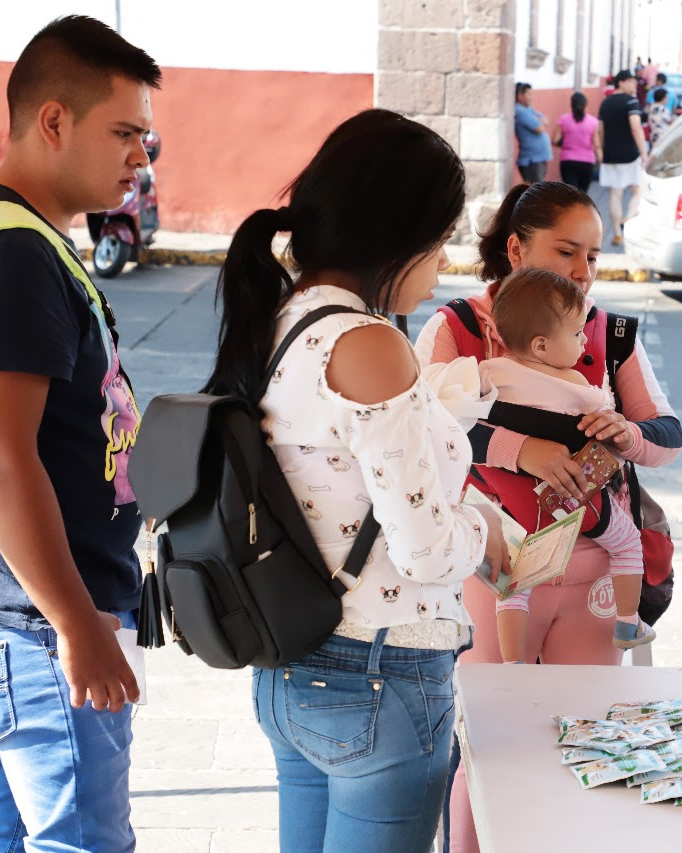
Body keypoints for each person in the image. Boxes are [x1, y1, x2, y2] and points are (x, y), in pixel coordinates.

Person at [204, 109, 509, 853]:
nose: (443, 263)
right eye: (440, 241)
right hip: (378, 675)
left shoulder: (282, 318)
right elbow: (428, 554)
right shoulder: (367, 342)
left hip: (293, 665)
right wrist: (484, 526)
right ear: (397, 238)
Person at [414, 180, 682, 853]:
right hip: (492, 568)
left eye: (593, 256)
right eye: (567, 252)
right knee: (488, 741)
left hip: (592, 571)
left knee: (585, 742)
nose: (584, 272)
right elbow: (415, 430)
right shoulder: (456, 328)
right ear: (516, 246)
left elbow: (667, 436)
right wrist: (517, 448)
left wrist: (628, 434)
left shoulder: (609, 333)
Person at [0, 17, 160, 851]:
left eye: (145, 138)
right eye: (123, 133)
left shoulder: (14, 230)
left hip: (6, 617)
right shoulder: (11, 248)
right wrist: (78, 625)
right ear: (53, 121)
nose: (140, 159)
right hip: (40, 628)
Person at [482, 268, 653, 662]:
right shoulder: (576, 383)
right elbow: (608, 426)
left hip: (515, 505)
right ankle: (629, 621)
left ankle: (513, 662)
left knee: (515, 584)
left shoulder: (489, 373)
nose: (582, 341)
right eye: (577, 333)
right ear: (541, 345)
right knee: (627, 544)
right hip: (578, 500)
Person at [595, 70, 648, 246]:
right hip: (630, 156)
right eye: (632, 82)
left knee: (615, 194)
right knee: (640, 189)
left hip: (610, 156)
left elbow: (600, 130)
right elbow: (636, 127)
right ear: (622, 83)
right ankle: (629, 217)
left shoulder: (605, 103)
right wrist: (644, 153)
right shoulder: (631, 102)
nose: (634, 85)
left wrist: (601, 151)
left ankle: (617, 232)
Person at [554, 91, 599, 193]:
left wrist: (566, 143)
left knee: (571, 194)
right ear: (585, 105)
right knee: (583, 195)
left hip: (568, 160)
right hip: (587, 162)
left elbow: (555, 140)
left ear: (571, 104)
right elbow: (596, 144)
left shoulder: (563, 119)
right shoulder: (593, 121)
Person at [514, 82, 552, 183]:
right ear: (520, 96)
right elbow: (539, 128)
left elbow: (545, 120)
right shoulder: (520, 111)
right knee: (535, 193)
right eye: (528, 94)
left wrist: (540, 121)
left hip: (537, 159)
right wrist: (540, 122)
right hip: (531, 160)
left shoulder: (528, 109)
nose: (531, 97)